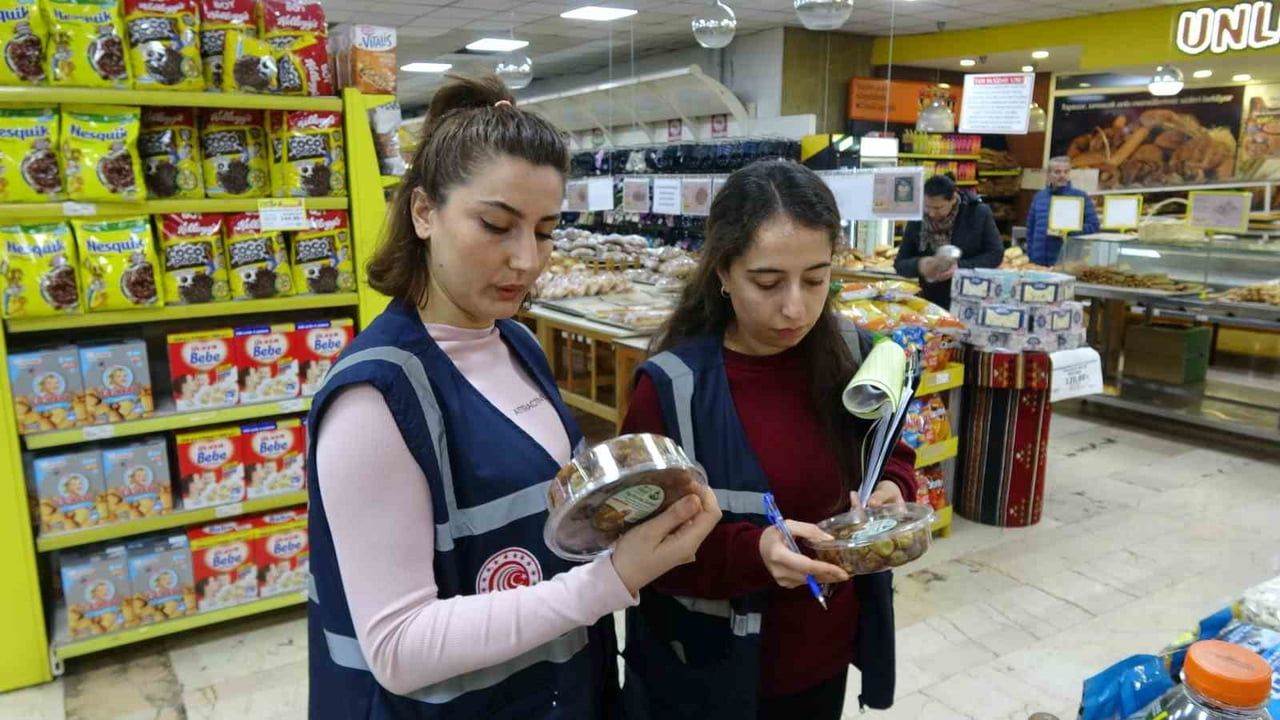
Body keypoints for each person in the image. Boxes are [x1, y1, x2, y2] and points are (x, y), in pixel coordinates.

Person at [305, 75, 722, 720]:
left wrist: (640, 505)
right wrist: (610, 581)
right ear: (423, 213)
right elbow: (398, 645)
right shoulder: (376, 398)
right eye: (496, 225)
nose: (527, 260)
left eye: (546, 229)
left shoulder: (516, 345)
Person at [619, 160, 918, 720]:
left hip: (822, 653)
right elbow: (636, 549)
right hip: (705, 673)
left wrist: (892, 490)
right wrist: (754, 553)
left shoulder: (858, 358)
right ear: (723, 274)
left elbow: (893, 453)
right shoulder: (672, 389)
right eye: (767, 281)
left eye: (815, 278)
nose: (795, 308)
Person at [895, 174, 1003, 309]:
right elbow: (900, 264)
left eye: (938, 208)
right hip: (931, 300)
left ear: (953, 199)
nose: (931, 213)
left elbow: (995, 254)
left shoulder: (977, 213)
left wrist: (960, 267)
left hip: (971, 298)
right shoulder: (918, 219)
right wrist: (920, 265)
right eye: (927, 207)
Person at [1025, 156, 1100, 266]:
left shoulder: (1081, 197)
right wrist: (1031, 254)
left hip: (1067, 261)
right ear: (1049, 175)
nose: (1062, 175)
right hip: (1038, 261)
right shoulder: (1039, 197)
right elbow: (1030, 229)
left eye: (1066, 172)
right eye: (1057, 172)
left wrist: (1070, 229)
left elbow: (1094, 226)